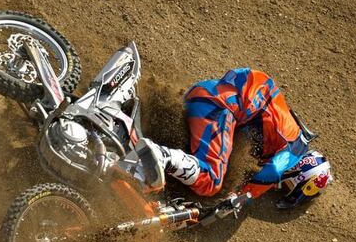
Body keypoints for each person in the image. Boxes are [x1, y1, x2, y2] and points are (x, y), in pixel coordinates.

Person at [134, 67, 332, 208]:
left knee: (193, 160)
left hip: (207, 95)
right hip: (220, 109)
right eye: (286, 186)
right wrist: (241, 197)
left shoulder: (286, 125)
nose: (278, 188)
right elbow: (272, 172)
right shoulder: (295, 148)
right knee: (211, 180)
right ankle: (162, 156)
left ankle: (135, 150)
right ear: (303, 174)